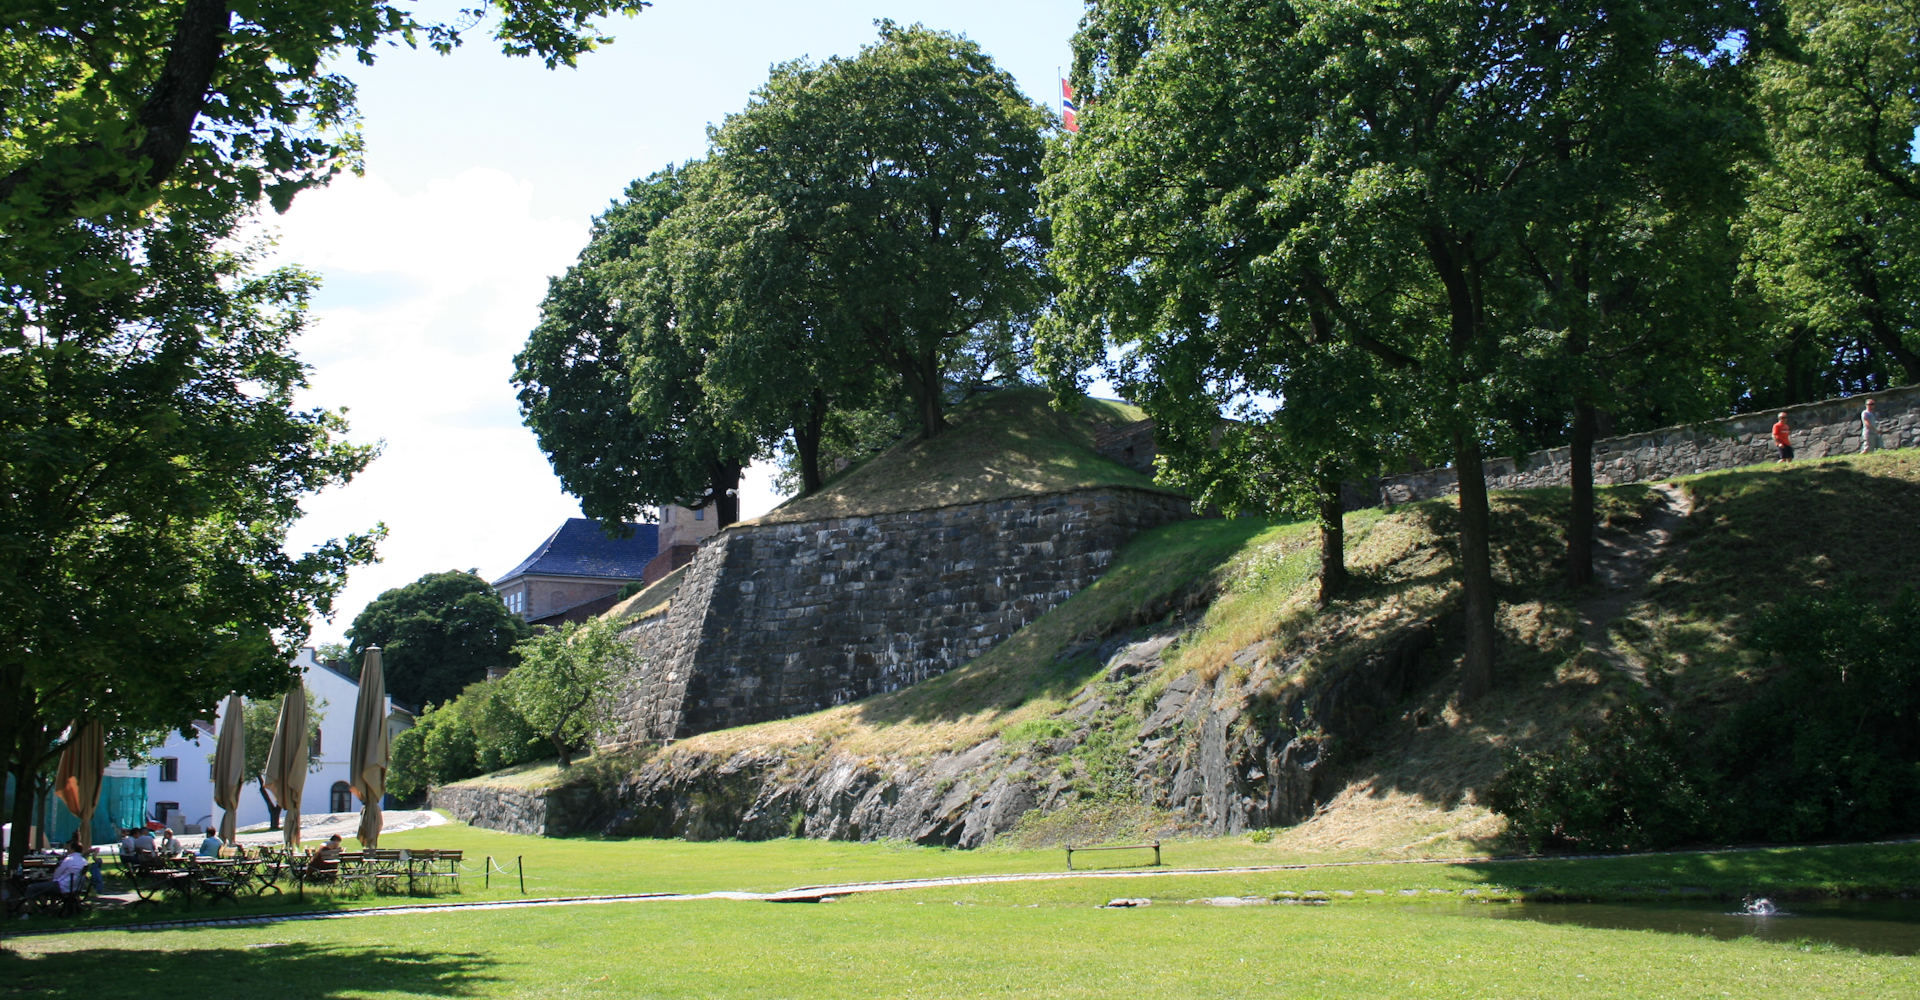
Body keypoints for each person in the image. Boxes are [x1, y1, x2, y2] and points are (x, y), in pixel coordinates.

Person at [24, 841, 89, 905]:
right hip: (75, 887)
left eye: (68, 848)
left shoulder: (69, 859)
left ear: (72, 849)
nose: (67, 850)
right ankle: (48, 906)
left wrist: (50, 878)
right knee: (45, 886)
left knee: (32, 887)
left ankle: (33, 909)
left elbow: (57, 874)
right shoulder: (84, 861)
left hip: (63, 886)